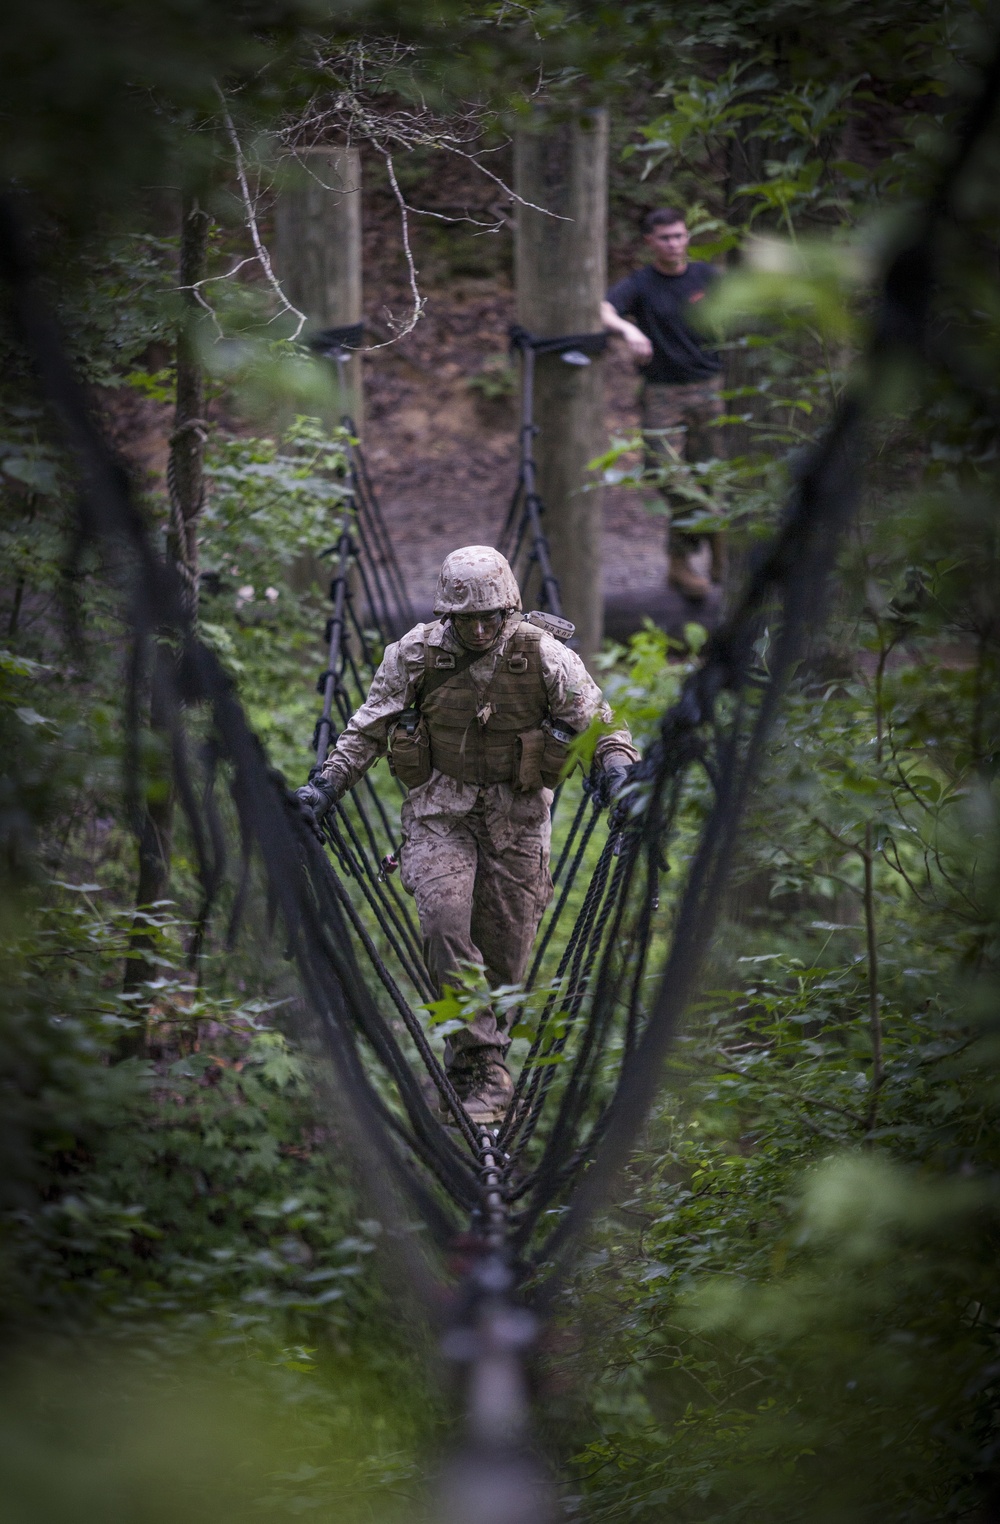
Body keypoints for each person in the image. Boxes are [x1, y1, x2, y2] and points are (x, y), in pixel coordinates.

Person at [295, 546, 639, 1125]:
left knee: (504, 961)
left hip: (519, 817)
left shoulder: (544, 656)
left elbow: (601, 726)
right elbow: (366, 728)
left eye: (491, 616)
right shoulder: (415, 654)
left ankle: (468, 1060)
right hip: (439, 812)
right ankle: (489, 1070)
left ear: (510, 610)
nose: (479, 629)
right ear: (446, 615)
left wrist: (622, 781)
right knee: (445, 925)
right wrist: (323, 789)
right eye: (466, 618)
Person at [601, 207, 726, 601]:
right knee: (669, 475)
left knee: (713, 478)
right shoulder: (641, 284)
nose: (674, 244)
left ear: (688, 237)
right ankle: (713, 538)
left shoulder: (707, 277)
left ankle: (683, 564)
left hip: (711, 387)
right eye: (665, 238)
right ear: (650, 243)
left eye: (679, 235)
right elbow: (603, 308)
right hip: (662, 393)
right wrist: (628, 329)